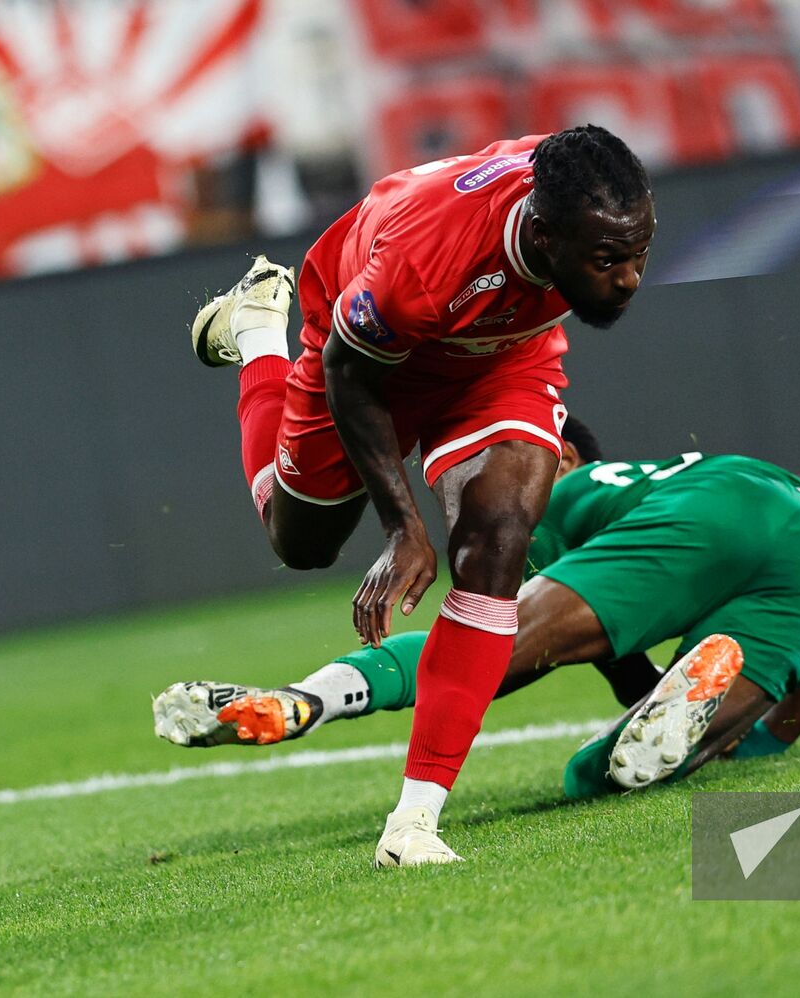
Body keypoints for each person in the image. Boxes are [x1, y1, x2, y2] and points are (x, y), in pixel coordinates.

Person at [186, 128, 655, 867]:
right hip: (365, 355)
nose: (628, 278)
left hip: (502, 358)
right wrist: (403, 525)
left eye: (639, 253)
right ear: (542, 232)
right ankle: (257, 337)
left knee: (496, 544)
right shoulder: (428, 259)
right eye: (606, 260)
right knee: (299, 543)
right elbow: (352, 376)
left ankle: (413, 823)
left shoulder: (583, 188)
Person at [155, 419, 800, 861]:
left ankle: (310, 699)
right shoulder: (639, 490)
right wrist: (759, 737)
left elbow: (487, 661)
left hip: (708, 511)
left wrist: (328, 692)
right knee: (636, 761)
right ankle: (719, 735)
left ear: (555, 453)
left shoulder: (554, 494)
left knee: (490, 652)